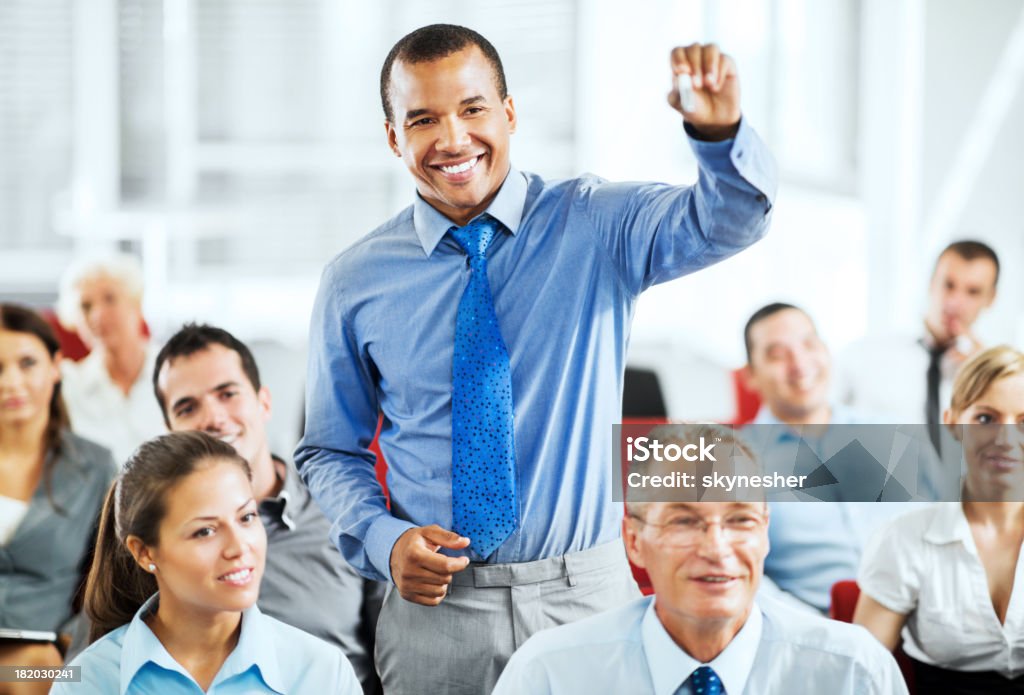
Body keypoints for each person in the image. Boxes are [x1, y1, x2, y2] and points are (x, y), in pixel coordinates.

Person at [297, 24, 776, 692]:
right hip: (437, 612)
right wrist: (384, 540)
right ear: (393, 137)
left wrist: (720, 137)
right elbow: (327, 450)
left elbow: (728, 219)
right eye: (424, 119)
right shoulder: (354, 279)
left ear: (509, 113)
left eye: (472, 109)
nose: (454, 139)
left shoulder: (595, 224)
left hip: (585, 596)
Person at [494, 424, 907, 694]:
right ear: (634, 542)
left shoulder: (855, 673)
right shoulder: (548, 675)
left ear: (765, 533)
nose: (715, 547)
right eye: (684, 521)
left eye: (740, 520)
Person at [152, 323, 383, 694]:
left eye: (227, 394)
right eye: (187, 407)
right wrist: (28, 670)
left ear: (264, 403)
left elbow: (396, 660)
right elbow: (80, 671)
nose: (212, 417)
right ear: (168, 430)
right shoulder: (154, 540)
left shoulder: (347, 513)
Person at [52, 431, 359, 694]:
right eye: (205, 531)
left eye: (247, 517)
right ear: (144, 552)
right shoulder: (86, 681)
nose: (239, 547)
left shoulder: (323, 672)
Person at [740, 302, 936, 613]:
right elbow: (740, 572)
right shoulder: (737, 459)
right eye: (777, 354)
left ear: (826, 350)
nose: (799, 364)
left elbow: (947, 522)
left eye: (808, 344)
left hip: (926, 621)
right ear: (750, 375)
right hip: (819, 629)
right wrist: (819, 633)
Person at [855, 345, 1024, 692]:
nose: (1006, 439)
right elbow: (860, 675)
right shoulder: (904, 539)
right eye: (985, 419)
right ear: (952, 423)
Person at [0, 304, 116, 695]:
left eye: (27, 363)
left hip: (51, 658)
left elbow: (106, 578)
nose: (11, 382)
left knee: (34, 671)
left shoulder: (95, 466)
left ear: (55, 367)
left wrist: (67, 644)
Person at [840, 240, 999, 447]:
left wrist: (991, 381)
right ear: (932, 282)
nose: (954, 302)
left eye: (973, 292)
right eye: (948, 285)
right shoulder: (864, 354)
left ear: (990, 298)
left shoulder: (1001, 377)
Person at [57, 253, 165, 463]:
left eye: (110, 299)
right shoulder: (68, 387)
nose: (97, 315)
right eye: (85, 306)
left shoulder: (175, 372)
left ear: (136, 304)